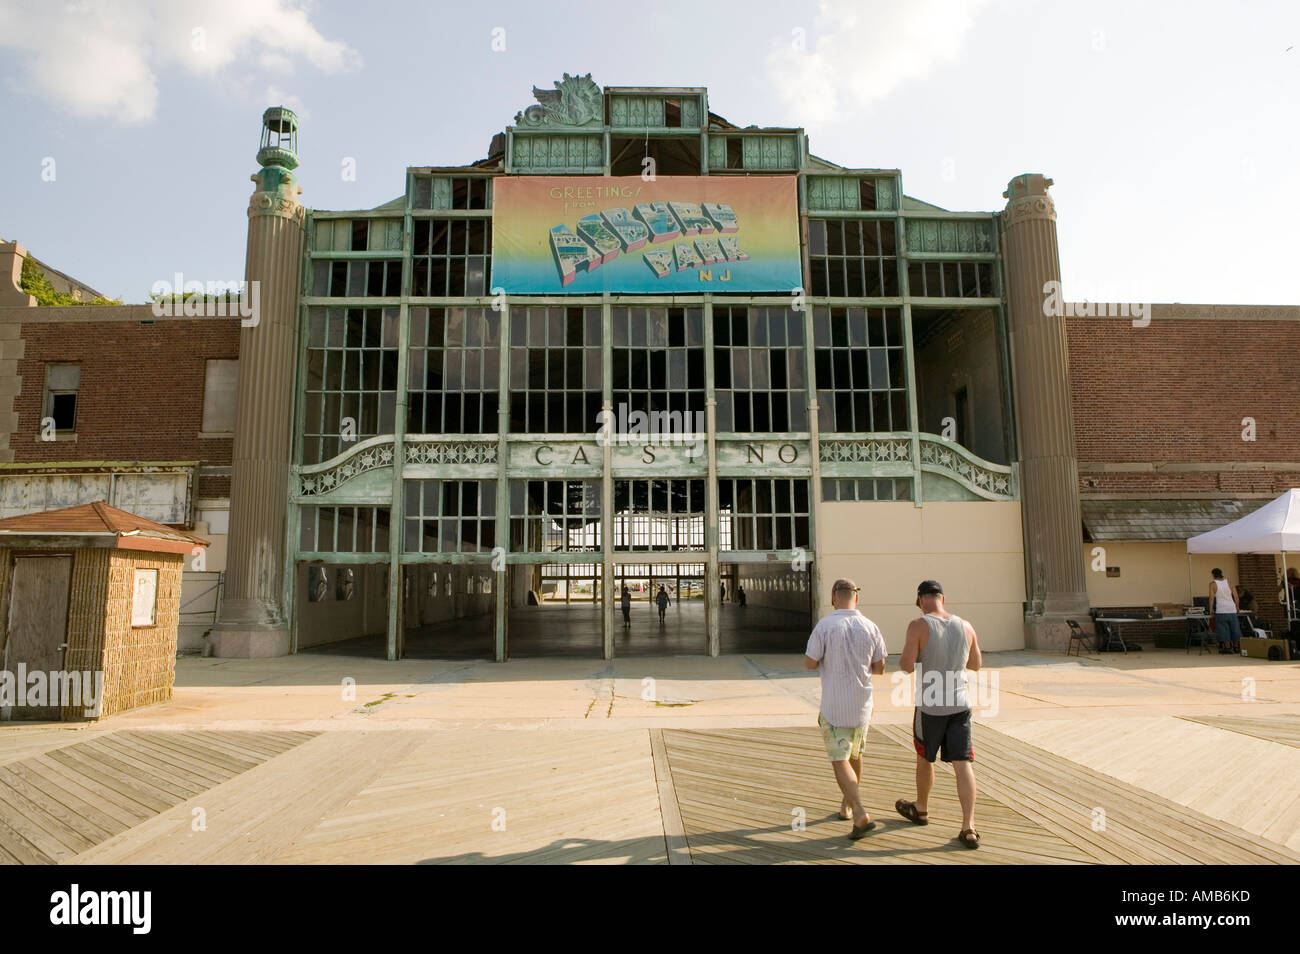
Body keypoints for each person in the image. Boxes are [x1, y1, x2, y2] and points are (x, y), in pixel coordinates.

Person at [896, 580, 983, 849]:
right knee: (963, 763)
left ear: (921, 599)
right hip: (960, 704)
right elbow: (976, 664)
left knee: (925, 757)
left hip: (930, 706)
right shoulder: (966, 626)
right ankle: (969, 826)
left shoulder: (918, 625)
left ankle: (921, 808)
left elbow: (907, 666)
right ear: (942, 599)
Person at [804, 578, 887, 840]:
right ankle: (846, 806)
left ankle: (860, 811)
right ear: (856, 598)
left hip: (834, 706)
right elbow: (880, 667)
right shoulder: (871, 626)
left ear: (833, 597)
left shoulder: (825, 626)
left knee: (839, 759)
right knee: (855, 755)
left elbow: (809, 662)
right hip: (862, 704)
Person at [1209, 567, 1241, 654]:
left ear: (1213, 575)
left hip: (1221, 610)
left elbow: (1212, 598)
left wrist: (1211, 609)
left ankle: (1227, 648)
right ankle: (1236, 647)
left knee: (1224, 629)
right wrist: (1237, 607)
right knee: (1235, 628)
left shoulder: (1212, 584)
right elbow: (1236, 596)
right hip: (1231, 608)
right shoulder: (1229, 583)